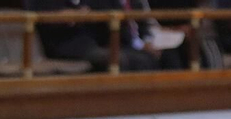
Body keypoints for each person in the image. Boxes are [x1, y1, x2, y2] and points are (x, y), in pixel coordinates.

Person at [29, 0, 184, 71]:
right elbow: (43, 16)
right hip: (65, 45)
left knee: (152, 57)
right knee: (117, 58)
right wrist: (71, 15)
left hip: (92, 42)